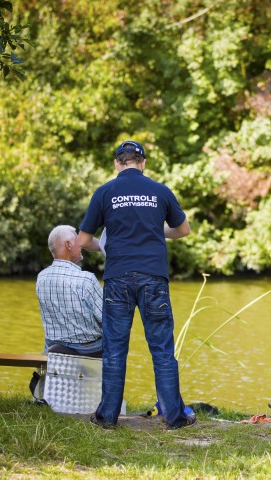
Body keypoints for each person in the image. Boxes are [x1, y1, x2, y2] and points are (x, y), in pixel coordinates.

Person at [77, 140, 194, 430]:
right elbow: (183, 229)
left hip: (118, 278)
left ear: (117, 163)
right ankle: (175, 418)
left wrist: (105, 246)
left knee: (115, 349)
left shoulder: (105, 192)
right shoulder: (160, 191)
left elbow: (81, 241)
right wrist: (157, 231)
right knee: (162, 349)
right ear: (142, 163)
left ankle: (106, 418)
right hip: (154, 277)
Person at [36, 225, 103, 357]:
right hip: (89, 350)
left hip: (54, 347)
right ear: (68, 245)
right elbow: (107, 318)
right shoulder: (86, 279)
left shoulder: (41, 277)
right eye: (78, 240)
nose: (82, 245)